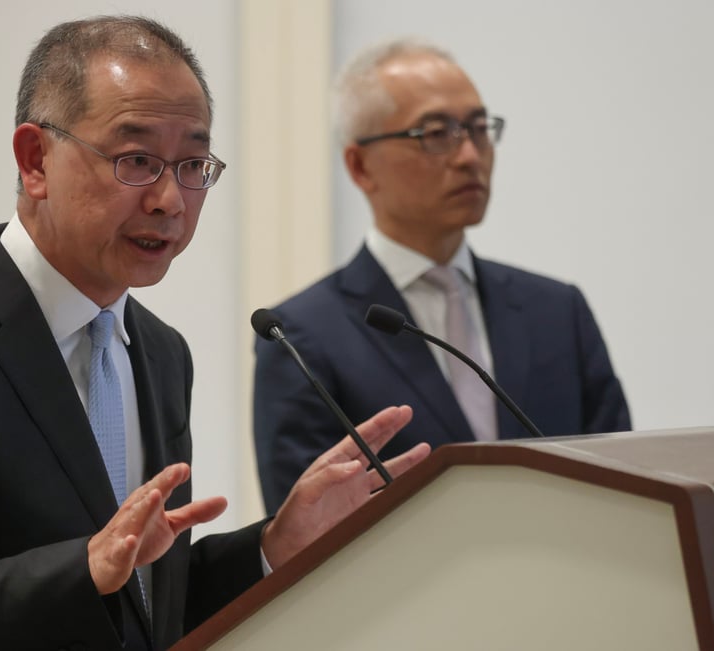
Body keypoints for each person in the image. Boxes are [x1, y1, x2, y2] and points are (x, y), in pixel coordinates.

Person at [0, 16, 430, 651]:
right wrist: (80, 569)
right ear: (35, 161)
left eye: (193, 163)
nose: (170, 199)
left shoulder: (160, 352)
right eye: (136, 159)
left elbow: (142, 610)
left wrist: (276, 545)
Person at [253, 38, 630, 514]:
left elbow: (624, 485)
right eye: (436, 133)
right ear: (361, 166)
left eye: (478, 129)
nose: (470, 155)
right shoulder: (301, 338)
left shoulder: (558, 311)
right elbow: (304, 538)